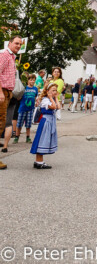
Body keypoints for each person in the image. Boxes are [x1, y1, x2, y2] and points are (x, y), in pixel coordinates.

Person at [0, 35, 23, 169]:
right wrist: (1, 92)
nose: (18, 46)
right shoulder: (4, 54)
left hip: (8, 92)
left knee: (2, 123)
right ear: (9, 43)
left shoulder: (12, 56)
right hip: (2, 91)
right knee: (0, 123)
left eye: (20, 44)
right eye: (16, 43)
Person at [30, 81, 60, 169]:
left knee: (45, 140)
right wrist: (51, 98)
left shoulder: (52, 99)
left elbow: (58, 107)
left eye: (55, 90)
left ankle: (38, 161)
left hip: (50, 122)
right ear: (47, 91)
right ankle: (39, 162)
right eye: (53, 90)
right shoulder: (45, 100)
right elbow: (54, 107)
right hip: (46, 122)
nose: (55, 92)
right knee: (42, 140)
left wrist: (56, 98)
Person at [13, 73, 38, 144]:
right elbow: (18, 98)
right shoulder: (24, 88)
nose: (32, 81)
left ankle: (28, 137)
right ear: (27, 81)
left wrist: (36, 102)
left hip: (30, 109)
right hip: (22, 109)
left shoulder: (35, 89)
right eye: (31, 80)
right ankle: (17, 137)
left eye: (33, 80)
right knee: (19, 124)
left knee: (28, 124)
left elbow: (35, 97)